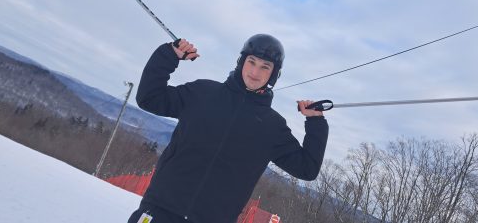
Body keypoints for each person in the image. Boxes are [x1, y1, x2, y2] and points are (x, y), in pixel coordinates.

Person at [127, 34, 329, 223]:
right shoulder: (202, 93)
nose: (255, 72)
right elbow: (149, 98)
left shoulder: (272, 127)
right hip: (158, 210)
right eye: (251, 62)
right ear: (242, 62)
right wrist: (169, 55)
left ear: (274, 74)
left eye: (265, 67)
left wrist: (316, 122)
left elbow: (307, 168)